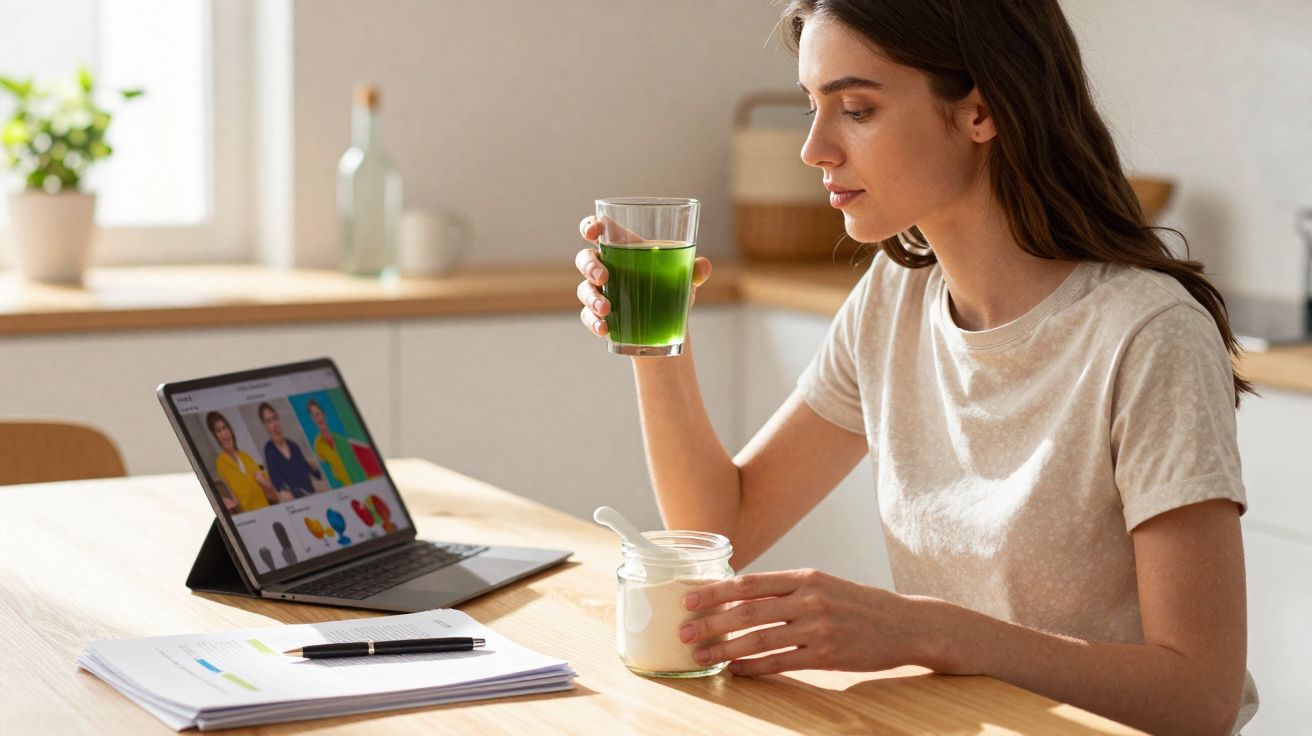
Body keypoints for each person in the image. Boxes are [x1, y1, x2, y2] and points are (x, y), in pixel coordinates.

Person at [573, 1, 1256, 733]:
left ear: (981, 113)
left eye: (856, 109)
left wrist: (930, 631)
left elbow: (1200, 697)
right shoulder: (897, 295)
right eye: (812, 106)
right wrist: (655, 339)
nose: (814, 148)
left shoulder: (1148, 334)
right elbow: (719, 522)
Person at [206, 411, 287, 513]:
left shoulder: (246, 457)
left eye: (225, 428)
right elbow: (234, 498)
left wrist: (266, 483)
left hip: (268, 511)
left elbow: (268, 488)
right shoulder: (221, 463)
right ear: (215, 436)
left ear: (230, 429)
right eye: (218, 431)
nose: (224, 433)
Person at [258, 402, 324, 499]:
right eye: (269, 421)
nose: (274, 424)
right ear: (265, 425)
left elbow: (317, 475)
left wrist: (314, 467)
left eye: (275, 418)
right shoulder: (269, 450)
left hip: (312, 497)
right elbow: (277, 483)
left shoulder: (294, 446)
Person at [307, 399, 366, 488]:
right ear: (312, 420)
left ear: (324, 415)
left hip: (360, 484)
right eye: (314, 416)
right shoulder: (318, 445)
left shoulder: (341, 440)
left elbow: (355, 465)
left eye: (318, 414)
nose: (318, 419)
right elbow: (326, 474)